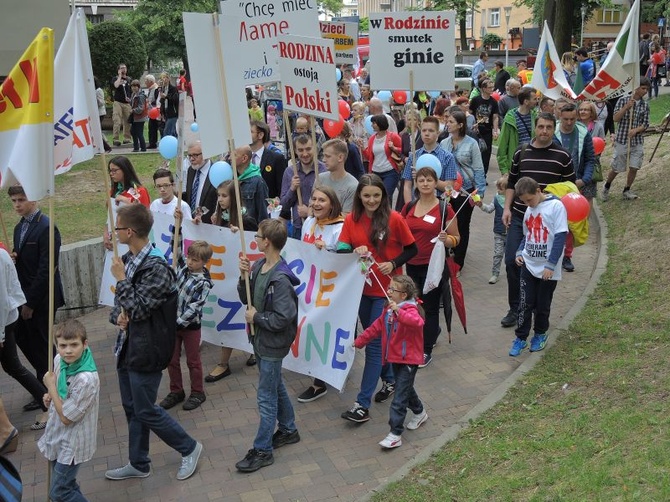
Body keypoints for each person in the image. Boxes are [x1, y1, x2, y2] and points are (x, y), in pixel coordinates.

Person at [106, 204, 203, 481]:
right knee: (132, 408)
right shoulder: (127, 259)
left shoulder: (157, 268)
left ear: (130, 231)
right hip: (127, 346)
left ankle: (189, 447)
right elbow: (120, 307)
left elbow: (137, 309)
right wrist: (118, 318)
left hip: (147, 350)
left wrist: (122, 281)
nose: (115, 233)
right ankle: (138, 462)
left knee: (146, 409)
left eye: (118, 228)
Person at [338, 174, 417, 423]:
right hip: (361, 292)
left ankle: (362, 405)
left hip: (387, 295)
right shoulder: (351, 219)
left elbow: (412, 249)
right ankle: (391, 380)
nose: (371, 200)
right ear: (359, 197)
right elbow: (341, 248)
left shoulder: (395, 219)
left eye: (376, 195)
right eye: (366, 195)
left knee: (373, 346)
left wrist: (393, 263)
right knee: (379, 343)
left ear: (383, 196)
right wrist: (353, 249)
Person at [235, 219, 300, 473]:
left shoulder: (281, 280)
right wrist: (243, 278)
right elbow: (246, 299)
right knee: (275, 384)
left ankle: (263, 450)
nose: (255, 239)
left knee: (266, 397)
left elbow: (283, 318)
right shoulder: (260, 265)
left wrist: (257, 319)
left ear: (267, 242)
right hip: (261, 341)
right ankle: (288, 428)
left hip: (271, 343)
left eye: (258, 236)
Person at [500, 113, 576, 328]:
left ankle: (535, 307)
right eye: (541, 126)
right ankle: (516, 307)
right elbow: (512, 183)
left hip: (545, 222)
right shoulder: (521, 152)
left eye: (549, 127)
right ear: (535, 128)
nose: (544, 131)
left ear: (554, 129)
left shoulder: (563, 156)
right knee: (511, 262)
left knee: (541, 266)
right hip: (518, 216)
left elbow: (571, 191)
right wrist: (506, 208)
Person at [353, 275, 428, 449]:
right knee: (406, 389)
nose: (388, 291)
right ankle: (419, 412)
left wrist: (399, 312)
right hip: (394, 358)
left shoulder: (410, 309)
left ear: (403, 295)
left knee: (399, 398)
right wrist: (359, 342)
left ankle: (395, 433)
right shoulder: (388, 309)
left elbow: (417, 322)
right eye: (389, 288)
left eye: (393, 289)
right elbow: (376, 327)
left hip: (409, 360)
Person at [8, 185, 64, 403]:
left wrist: (30, 303)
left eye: (21, 200)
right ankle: (44, 385)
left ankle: (58, 386)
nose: (17, 205)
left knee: (42, 344)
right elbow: (25, 258)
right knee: (24, 339)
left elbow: (47, 269)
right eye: (13, 201)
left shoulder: (46, 227)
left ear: (33, 199)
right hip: (24, 295)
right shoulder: (18, 227)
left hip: (42, 297)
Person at [401, 167, 460, 367]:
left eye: (429, 180)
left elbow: (457, 239)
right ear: (416, 184)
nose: (425, 183)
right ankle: (430, 332)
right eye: (421, 180)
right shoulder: (409, 207)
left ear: (436, 183)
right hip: (412, 264)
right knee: (415, 305)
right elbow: (400, 231)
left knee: (431, 307)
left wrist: (447, 240)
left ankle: (425, 350)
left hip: (434, 266)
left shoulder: (445, 209)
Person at [37, 319, 100, 502]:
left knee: (59, 492)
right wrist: (49, 393)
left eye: (74, 345)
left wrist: (52, 388)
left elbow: (66, 418)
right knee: (67, 484)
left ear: (85, 344)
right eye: (63, 345)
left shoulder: (86, 379)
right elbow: (57, 391)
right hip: (58, 434)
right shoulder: (59, 360)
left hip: (73, 442)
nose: (68, 351)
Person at [205, 180, 258, 382]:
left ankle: (252, 349)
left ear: (234, 198)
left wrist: (239, 232)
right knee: (227, 318)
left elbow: (254, 243)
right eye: (218, 195)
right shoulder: (217, 218)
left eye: (224, 196)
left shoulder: (247, 219)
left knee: (244, 314)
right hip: (225, 282)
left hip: (243, 279)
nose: (220, 199)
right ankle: (223, 363)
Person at [296, 186, 346, 402]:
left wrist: (328, 249)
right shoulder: (309, 222)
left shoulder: (339, 227)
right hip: (309, 284)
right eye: (314, 199)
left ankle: (320, 381)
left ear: (332, 204)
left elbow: (345, 257)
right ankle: (318, 373)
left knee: (326, 330)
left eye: (322, 200)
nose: (316, 204)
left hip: (330, 288)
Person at [508, 177, 568, 357]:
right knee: (525, 303)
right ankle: (521, 337)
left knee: (542, 304)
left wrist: (551, 263)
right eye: (524, 202)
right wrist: (519, 252)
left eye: (529, 200)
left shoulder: (556, 207)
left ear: (539, 191)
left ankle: (540, 333)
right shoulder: (529, 210)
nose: (528, 204)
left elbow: (560, 236)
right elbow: (528, 235)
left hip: (547, 268)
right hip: (529, 264)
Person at [160, 227, 213, 411]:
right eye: (189, 258)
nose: (190, 262)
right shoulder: (183, 268)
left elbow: (194, 307)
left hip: (190, 327)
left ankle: (198, 392)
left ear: (205, 262)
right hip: (173, 324)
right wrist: (178, 227)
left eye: (195, 260)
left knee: (193, 360)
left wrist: (178, 323)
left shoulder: (204, 283)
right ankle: (176, 390)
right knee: (171, 359)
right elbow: (176, 247)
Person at [1, 246, 48, 417]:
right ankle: (47, 403)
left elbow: (2, 298)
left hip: (4, 322)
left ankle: (48, 404)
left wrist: (0, 333)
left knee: (14, 367)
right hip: (6, 320)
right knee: (13, 367)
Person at [440, 111, 486, 271]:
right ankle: (445, 256)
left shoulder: (471, 143)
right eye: (447, 121)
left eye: (451, 121)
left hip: (466, 191)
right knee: (444, 223)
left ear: (460, 125)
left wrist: (480, 193)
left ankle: (458, 263)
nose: (448, 123)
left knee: (462, 225)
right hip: (447, 190)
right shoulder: (444, 142)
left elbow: (479, 168)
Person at [553, 103, 595, 273]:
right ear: (560, 117)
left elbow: (591, 159)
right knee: (555, 221)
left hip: (576, 185)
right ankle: (553, 253)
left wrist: (584, 180)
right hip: (555, 186)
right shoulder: (552, 132)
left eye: (572, 119)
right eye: (566, 119)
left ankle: (567, 256)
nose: (569, 123)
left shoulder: (584, 133)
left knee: (571, 224)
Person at [602, 78, 651, 202]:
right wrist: (626, 107)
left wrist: (636, 130)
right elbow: (615, 118)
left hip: (637, 141)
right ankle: (607, 186)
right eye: (643, 88)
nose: (645, 91)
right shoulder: (623, 100)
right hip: (622, 140)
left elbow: (645, 124)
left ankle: (627, 189)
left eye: (647, 89)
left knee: (634, 167)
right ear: (636, 87)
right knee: (617, 167)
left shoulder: (645, 105)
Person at [401, 116, 457, 204]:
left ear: (438, 133)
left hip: (439, 202)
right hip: (417, 200)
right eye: (424, 130)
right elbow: (407, 185)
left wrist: (426, 176)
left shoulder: (448, 157)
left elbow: (449, 187)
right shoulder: (414, 156)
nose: (426, 134)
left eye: (431, 131)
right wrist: (409, 206)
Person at [280, 135, 326, 238]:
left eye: (308, 149)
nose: (305, 154)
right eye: (300, 150)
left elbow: (331, 203)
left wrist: (310, 212)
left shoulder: (324, 171)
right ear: (295, 151)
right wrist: (292, 188)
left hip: (321, 227)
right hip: (298, 228)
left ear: (314, 148)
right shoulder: (290, 172)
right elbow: (283, 206)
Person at [497, 86, 538, 175]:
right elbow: (502, 146)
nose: (537, 101)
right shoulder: (510, 119)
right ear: (526, 101)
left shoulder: (536, 117)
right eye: (534, 99)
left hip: (533, 162)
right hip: (516, 164)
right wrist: (504, 170)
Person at [364, 114, 403, 200]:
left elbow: (403, 150)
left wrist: (393, 148)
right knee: (377, 197)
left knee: (386, 196)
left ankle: (388, 213)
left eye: (374, 123)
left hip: (390, 171)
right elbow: (369, 156)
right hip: (376, 172)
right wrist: (363, 149)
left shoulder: (393, 136)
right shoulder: (372, 139)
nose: (371, 125)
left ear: (380, 123)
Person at [480, 175, 508, 284]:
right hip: (499, 231)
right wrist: (481, 205)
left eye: (500, 188)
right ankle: (495, 273)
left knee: (511, 256)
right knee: (498, 254)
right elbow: (489, 209)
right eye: (497, 188)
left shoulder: (514, 200)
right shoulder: (496, 198)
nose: (498, 190)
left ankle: (513, 273)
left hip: (511, 233)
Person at [319, 139, 360, 213]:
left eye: (328, 156)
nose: (323, 160)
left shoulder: (353, 186)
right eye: (323, 156)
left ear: (340, 157)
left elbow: (345, 217)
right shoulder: (320, 179)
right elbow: (311, 207)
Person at [232, 145, 270, 224]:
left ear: (244, 158)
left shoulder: (258, 182)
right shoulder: (231, 178)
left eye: (234, 155)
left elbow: (263, 215)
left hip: (250, 232)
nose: (229, 158)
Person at [470, 78, 500, 176]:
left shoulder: (493, 102)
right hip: (476, 131)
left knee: (486, 154)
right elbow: (470, 114)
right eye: (490, 87)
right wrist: (471, 125)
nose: (492, 89)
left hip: (487, 131)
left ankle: (483, 175)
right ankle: (474, 174)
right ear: (483, 88)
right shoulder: (475, 100)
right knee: (474, 153)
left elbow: (495, 117)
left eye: (493, 87)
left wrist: (495, 130)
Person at [250, 120, 287, 199]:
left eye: (250, 132)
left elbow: (281, 188)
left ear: (260, 135)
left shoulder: (276, 158)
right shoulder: (242, 157)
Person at [183, 141, 217, 223]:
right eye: (189, 155)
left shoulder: (215, 172)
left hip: (209, 224)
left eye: (195, 155)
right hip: (191, 223)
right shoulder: (191, 170)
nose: (191, 159)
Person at [111, 63, 132, 146]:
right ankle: (115, 139)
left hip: (127, 103)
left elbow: (131, 90)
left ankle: (127, 138)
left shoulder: (129, 79)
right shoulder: (116, 79)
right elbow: (116, 85)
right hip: (118, 102)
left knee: (128, 121)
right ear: (119, 70)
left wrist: (130, 98)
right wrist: (119, 76)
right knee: (117, 120)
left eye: (125, 68)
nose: (124, 69)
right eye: (122, 68)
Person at [94, 78, 112, 153]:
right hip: (95, 113)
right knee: (97, 131)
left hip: (99, 113)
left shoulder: (98, 90)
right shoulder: (94, 90)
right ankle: (103, 145)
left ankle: (106, 146)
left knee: (96, 131)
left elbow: (101, 102)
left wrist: (95, 99)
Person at [129, 80, 147, 152]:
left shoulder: (141, 96)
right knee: (133, 131)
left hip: (140, 117)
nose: (133, 88)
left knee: (139, 133)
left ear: (138, 87)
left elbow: (141, 108)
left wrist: (133, 110)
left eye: (135, 86)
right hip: (135, 117)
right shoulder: (133, 94)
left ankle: (143, 148)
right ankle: (136, 147)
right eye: (132, 86)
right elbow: (134, 103)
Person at [144, 74, 161, 149]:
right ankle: (152, 143)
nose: (145, 82)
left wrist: (149, 102)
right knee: (151, 128)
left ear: (150, 81)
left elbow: (156, 100)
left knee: (155, 127)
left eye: (146, 81)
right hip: (152, 112)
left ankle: (154, 143)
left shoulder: (155, 89)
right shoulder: (151, 89)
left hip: (155, 111)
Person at [159, 72, 179, 138]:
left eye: (165, 77)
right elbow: (162, 102)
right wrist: (161, 112)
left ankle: (167, 145)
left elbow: (175, 99)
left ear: (168, 79)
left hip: (173, 112)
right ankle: (178, 144)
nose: (164, 80)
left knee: (167, 132)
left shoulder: (173, 89)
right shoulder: (163, 89)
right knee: (172, 131)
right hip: (166, 112)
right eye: (162, 78)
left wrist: (166, 96)